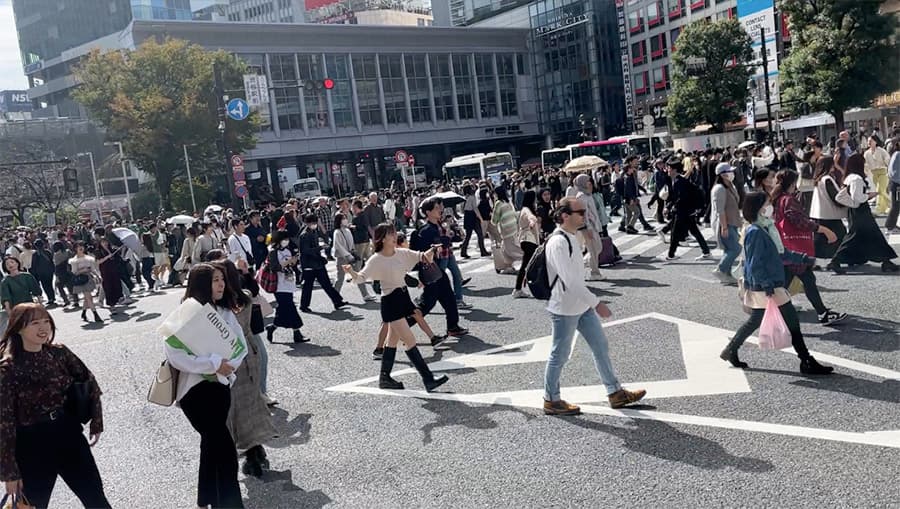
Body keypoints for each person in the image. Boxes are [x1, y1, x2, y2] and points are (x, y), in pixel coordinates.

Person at [541, 198, 646, 416]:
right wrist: (596, 303)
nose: (585, 215)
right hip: (565, 308)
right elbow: (570, 281)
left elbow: (577, 277)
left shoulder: (572, 236)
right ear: (565, 216)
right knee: (559, 354)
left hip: (581, 306)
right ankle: (551, 399)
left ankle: (615, 392)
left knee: (600, 347)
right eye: (580, 212)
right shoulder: (557, 242)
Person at [0, 302, 111, 509]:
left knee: (96, 499)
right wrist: (9, 471)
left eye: (46, 322)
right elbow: (4, 422)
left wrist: (97, 420)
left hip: (67, 433)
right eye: (34, 323)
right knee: (33, 505)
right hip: (31, 444)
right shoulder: (8, 368)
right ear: (18, 327)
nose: (43, 328)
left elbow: (88, 381)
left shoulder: (58, 353)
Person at [719, 191, 834, 375]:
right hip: (767, 285)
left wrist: (805, 258)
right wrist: (767, 285)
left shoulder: (767, 228)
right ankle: (806, 361)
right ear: (758, 208)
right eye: (766, 204)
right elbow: (755, 263)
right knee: (791, 322)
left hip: (767, 284)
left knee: (756, 320)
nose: (770, 207)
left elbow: (781, 253)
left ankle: (731, 349)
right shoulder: (755, 231)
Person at [164, 263, 248, 509]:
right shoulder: (186, 313)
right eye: (215, 280)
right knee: (224, 450)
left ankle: (207, 498)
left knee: (211, 445)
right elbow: (174, 354)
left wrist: (227, 365)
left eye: (222, 279)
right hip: (195, 392)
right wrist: (212, 363)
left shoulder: (225, 313)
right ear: (201, 284)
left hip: (221, 388)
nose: (221, 284)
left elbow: (239, 347)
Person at [344, 223, 449, 391]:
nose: (395, 236)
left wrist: (432, 251)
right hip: (391, 301)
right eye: (391, 234)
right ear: (382, 238)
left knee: (392, 340)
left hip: (403, 296)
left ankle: (384, 378)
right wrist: (351, 272)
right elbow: (361, 278)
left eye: (394, 233)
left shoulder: (401, 253)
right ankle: (428, 379)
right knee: (409, 339)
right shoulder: (376, 259)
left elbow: (422, 257)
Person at [210, 260, 276, 479]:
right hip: (250, 352)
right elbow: (253, 289)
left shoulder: (219, 307)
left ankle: (248, 451)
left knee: (234, 409)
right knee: (252, 403)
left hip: (230, 358)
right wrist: (246, 273)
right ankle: (256, 449)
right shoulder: (244, 296)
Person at [771, 170, 847, 325]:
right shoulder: (788, 200)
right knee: (804, 280)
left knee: (791, 282)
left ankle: (771, 313)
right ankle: (821, 313)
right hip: (795, 248)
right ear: (792, 183)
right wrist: (823, 229)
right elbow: (798, 220)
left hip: (786, 245)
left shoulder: (779, 199)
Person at [830, 154, 899, 273]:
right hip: (861, 210)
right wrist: (869, 195)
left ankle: (886, 261)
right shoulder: (857, 178)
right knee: (860, 236)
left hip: (855, 211)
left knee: (864, 235)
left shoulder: (849, 177)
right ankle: (835, 261)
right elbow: (858, 198)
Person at [298, 213, 348, 312]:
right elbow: (306, 251)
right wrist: (320, 248)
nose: (315, 224)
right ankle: (304, 306)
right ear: (307, 223)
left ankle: (337, 301)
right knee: (308, 286)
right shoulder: (304, 235)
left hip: (317, 262)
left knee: (326, 283)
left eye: (315, 222)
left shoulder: (313, 231)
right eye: (313, 222)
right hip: (309, 264)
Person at [664, 159, 712, 262]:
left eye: (669, 168)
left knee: (675, 233)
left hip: (682, 212)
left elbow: (681, 198)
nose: (667, 170)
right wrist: (669, 206)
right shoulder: (679, 180)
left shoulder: (678, 182)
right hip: (687, 211)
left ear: (674, 170)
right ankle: (706, 251)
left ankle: (671, 255)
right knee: (694, 231)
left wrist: (672, 207)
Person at [265, 231, 307, 344]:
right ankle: (297, 331)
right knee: (290, 307)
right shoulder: (273, 252)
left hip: (288, 282)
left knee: (283, 309)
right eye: (284, 239)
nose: (286, 241)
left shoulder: (287, 250)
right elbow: (274, 267)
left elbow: (291, 265)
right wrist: (287, 261)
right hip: (278, 284)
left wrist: (293, 262)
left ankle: (273, 327)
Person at [809, 158, 847, 264]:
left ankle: (811, 258)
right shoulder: (827, 179)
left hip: (819, 213)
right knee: (840, 236)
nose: (834, 166)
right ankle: (837, 260)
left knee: (821, 239)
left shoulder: (819, 179)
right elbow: (835, 197)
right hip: (830, 214)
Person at [710, 163, 742, 284]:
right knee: (736, 248)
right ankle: (721, 269)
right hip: (725, 223)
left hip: (732, 222)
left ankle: (727, 274)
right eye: (729, 172)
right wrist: (724, 227)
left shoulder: (729, 186)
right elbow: (720, 210)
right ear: (722, 175)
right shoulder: (719, 189)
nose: (732, 173)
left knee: (729, 249)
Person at [332, 212, 375, 302]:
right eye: (343, 218)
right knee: (340, 278)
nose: (345, 220)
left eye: (345, 218)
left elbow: (351, 243)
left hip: (350, 255)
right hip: (342, 257)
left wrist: (353, 252)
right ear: (339, 221)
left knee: (357, 274)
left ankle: (365, 294)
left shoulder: (347, 230)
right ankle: (335, 297)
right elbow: (338, 246)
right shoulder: (337, 232)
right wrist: (347, 255)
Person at [572, 174, 605, 281]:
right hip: (587, 227)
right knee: (593, 248)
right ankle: (595, 272)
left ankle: (586, 263)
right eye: (587, 181)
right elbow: (584, 214)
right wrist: (589, 227)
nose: (589, 182)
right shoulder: (581, 195)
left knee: (597, 248)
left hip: (593, 225)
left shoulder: (588, 193)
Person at [513, 190, 541, 298]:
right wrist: (533, 221)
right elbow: (531, 218)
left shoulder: (525, 209)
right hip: (529, 240)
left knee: (527, 265)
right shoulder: (527, 210)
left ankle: (518, 289)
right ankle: (520, 289)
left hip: (527, 240)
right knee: (530, 265)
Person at [68, 243, 103, 324]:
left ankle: (83, 313)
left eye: (82, 246)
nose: (80, 248)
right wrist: (83, 270)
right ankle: (95, 315)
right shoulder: (74, 260)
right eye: (78, 246)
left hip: (89, 278)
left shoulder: (89, 258)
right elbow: (74, 272)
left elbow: (93, 269)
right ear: (75, 249)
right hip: (81, 280)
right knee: (89, 297)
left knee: (87, 298)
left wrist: (98, 276)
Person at [459, 185, 489, 259]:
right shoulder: (472, 197)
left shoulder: (463, 198)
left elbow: (462, 210)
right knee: (480, 234)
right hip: (473, 216)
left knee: (468, 235)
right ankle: (483, 251)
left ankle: (463, 251)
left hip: (467, 216)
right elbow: (475, 208)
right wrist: (481, 218)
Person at [864, 135, 891, 215]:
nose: (869, 142)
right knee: (879, 191)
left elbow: (887, 160)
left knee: (880, 190)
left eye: (871, 141)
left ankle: (890, 206)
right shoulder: (867, 153)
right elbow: (866, 164)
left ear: (875, 142)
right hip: (874, 173)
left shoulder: (881, 150)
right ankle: (883, 208)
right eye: (868, 141)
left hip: (883, 171)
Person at [94, 238, 123, 314]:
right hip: (105, 271)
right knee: (108, 287)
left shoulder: (111, 249)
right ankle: (111, 305)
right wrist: (107, 257)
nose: (105, 243)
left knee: (116, 285)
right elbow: (98, 262)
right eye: (103, 242)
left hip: (114, 270)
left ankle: (117, 300)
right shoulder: (98, 251)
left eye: (106, 241)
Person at [29, 240, 56, 308]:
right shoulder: (47, 252)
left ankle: (50, 298)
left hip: (41, 273)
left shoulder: (35, 254)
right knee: (50, 284)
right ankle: (52, 297)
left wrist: (34, 274)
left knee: (45, 286)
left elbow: (33, 265)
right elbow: (52, 261)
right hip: (49, 271)